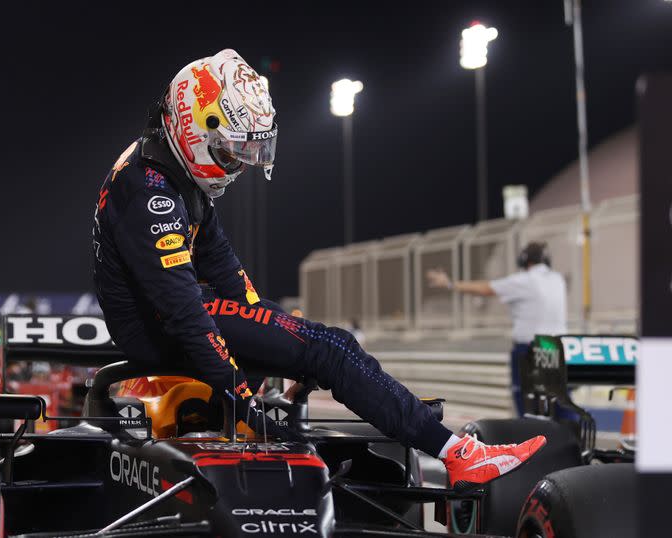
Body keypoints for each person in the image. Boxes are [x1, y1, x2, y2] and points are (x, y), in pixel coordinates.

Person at [92, 49, 545, 490]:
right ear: (196, 127)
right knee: (330, 348)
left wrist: (280, 337)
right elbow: (183, 310)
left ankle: (416, 426)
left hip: (170, 319)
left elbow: (228, 274)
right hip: (160, 329)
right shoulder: (150, 191)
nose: (235, 167)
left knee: (313, 342)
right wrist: (241, 396)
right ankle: (457, 454)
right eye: (229, 153)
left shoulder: (172, 172)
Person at [427, 242, 567, 415]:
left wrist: (449, 284)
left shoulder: (524, 280)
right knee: (560, 400)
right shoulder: (557, 279)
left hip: (530, 348)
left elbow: (486, 289)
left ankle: (533, 438)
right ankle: (574, 437)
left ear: (525, 261)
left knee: (527, 406)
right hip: (555, 346)